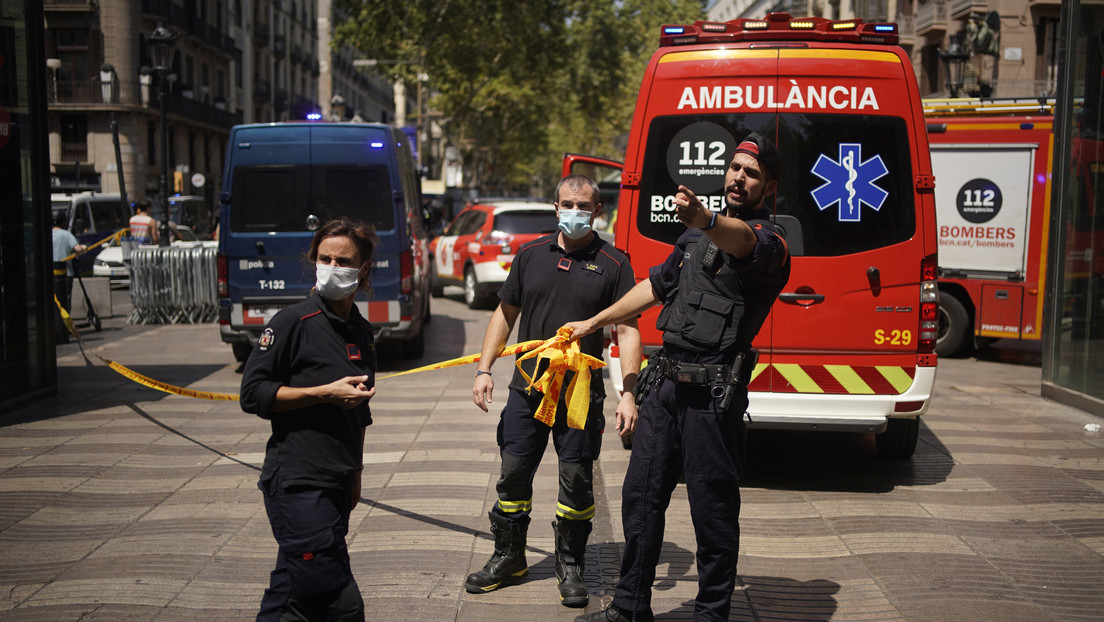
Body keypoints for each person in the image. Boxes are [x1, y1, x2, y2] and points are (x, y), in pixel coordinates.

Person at [567, 133, 792, 622]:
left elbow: (743, 241)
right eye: (735, 168)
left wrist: (708, 220)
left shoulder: (770, 243)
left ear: (767, 186)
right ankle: (629, 608)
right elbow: (654, 286)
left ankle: (710, 614)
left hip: (713, 398)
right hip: (663, 388)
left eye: (751, 174)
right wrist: (594, 321)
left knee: (712, 512)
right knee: (640, 498)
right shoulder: (692, 238)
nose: (738, 177)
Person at [467, 175, 642, 609]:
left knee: (577, 481)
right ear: (556, 206)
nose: (575, 212)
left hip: (580, 394)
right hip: (529, 388)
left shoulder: (615, 263)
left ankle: (571, 564)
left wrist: (629, 393)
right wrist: (484, 369)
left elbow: (628, 328)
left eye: (584, 205)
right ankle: (509, 556)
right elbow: (505, 314)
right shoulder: (529, 255)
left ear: (597, 211)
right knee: (512, 475)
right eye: (567, 203)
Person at [240, 218, 379, 622]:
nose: (332, 267)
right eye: (325, 258)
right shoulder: (291, 323)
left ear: (363, 269)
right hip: (299, 483)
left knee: (292, 594)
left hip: (337, 482)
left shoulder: (361, 330)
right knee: (337, 601)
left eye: (344, 260)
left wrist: (356, 473)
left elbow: (362, 410)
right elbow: (253, 394)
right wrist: (322, 393)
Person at [51, 212, 86, 344]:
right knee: (65, 302)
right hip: (66, 274)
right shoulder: (66, 234)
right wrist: (83, 247)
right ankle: (64, 329)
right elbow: (77, 249)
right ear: (63, 221)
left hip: (51, 275)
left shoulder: (47, 234)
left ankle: (55, 329)